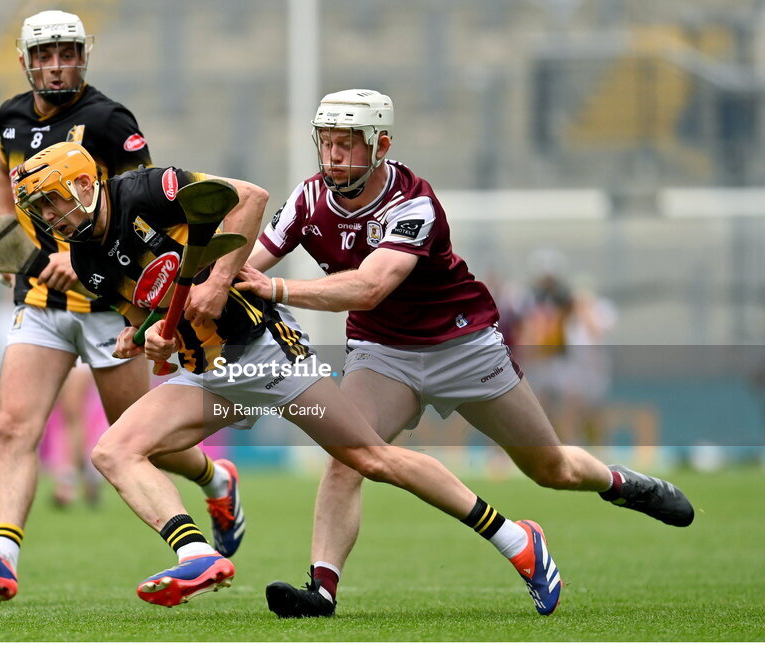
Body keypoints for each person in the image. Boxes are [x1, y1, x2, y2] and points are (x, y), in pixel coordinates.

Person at [11, 140, 563, 614]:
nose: (52, 217)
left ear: (83, 183)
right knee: (114, 451)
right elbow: (144, 314)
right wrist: (148, 335)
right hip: (209, 372)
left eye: (53, 201)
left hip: (267, 351)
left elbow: (249, 197)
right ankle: (196, 556)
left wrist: (219, 279)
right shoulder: (83, 259)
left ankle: (517, 539)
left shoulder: (148, 189)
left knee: (369, 458)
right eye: (42, 210)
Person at [234, 89, 695, 618]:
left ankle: (621, 484)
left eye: (347, 145)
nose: (334, 156)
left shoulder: (414, 203)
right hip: (383, 354)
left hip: (462, 346)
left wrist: (275, 291)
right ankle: (321, 590)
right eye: (327, 143)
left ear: (380, 144)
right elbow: (249, 264)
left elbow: (367, 288)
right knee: (348, 458)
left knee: (551, 469)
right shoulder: (307, 199)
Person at [0, 10, 244, 603]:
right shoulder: (10, 115)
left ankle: (216, 477)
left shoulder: (109, 120)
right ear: (26, 59)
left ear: (83, 55)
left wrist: (83, 261)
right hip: (40, 298)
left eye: (67, 53)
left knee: (143, 441)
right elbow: (5, 180)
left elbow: (143, 212)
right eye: (45, 54)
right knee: (14, 427)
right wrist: (13, 242)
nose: (56, 64)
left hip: (111, 303)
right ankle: (3, 556)